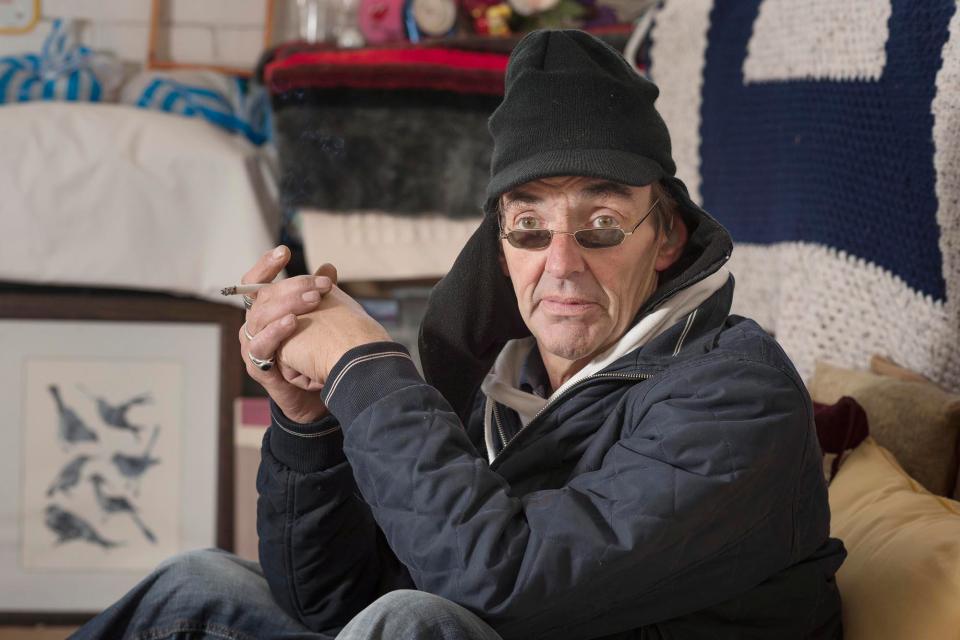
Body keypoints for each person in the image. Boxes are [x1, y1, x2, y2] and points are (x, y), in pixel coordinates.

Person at [72, 30, 845, 640]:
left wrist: (362, 366)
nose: (562, 263)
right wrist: (309, 425)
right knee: (197, 586)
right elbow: (332, 599)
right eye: (530, 227)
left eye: (602, 223)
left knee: (413, 625)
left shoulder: (734, 391)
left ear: (666, 235)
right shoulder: (496, 383)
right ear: (501, 248)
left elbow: (506, 583)